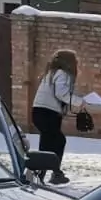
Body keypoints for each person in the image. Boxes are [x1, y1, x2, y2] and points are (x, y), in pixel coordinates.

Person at [32, 49, 83, 185]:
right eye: (75, 60)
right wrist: (79, 101)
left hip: (41, 111)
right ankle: (49, 174)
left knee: (49, 143)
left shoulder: (52, 73)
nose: (77, 63)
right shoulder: (62, 74)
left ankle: (47, 173)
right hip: (47, 113)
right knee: (56, 141)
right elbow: (61, 93)